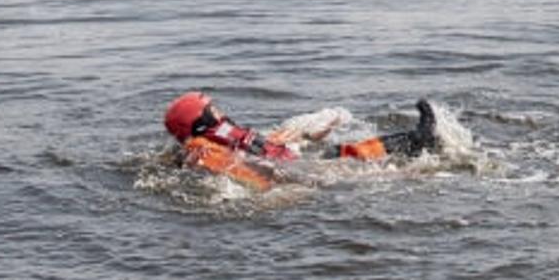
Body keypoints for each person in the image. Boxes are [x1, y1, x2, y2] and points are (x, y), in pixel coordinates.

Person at [162, 92, 444, 191]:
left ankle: (419, 141)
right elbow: (245, 169)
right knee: (355, 167)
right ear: (200, 121)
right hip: (295, 175)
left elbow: (260, 145)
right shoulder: (202, 149)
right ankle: (424, 160)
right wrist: (293, 181)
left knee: (339, 152)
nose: (220, 111)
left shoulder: (218, 136)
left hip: (291, 164)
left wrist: (306, 136)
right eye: (212, 109)